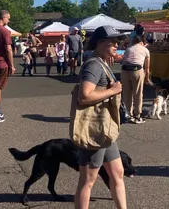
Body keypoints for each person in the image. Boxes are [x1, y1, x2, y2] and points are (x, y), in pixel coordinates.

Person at [74, 25, 126, 209]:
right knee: (88, 179)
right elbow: (84, 96)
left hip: (106, 128)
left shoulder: (102, 62)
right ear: (99, 42)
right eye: (112, 41)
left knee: (117, 172)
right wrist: (112, 90)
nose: (116, 45)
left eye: (117, 41)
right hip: (95, 130)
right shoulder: (93, 65)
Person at [121, 33, 151, 124]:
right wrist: (147, 78)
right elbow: (147, 67)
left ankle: (128, 115)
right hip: (137, 70)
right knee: (137, 93)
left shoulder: (128, 49)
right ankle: (137, 115)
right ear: (141, 42)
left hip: (125, 71)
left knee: (127, 93)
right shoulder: (145, 50)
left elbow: (124, 60)